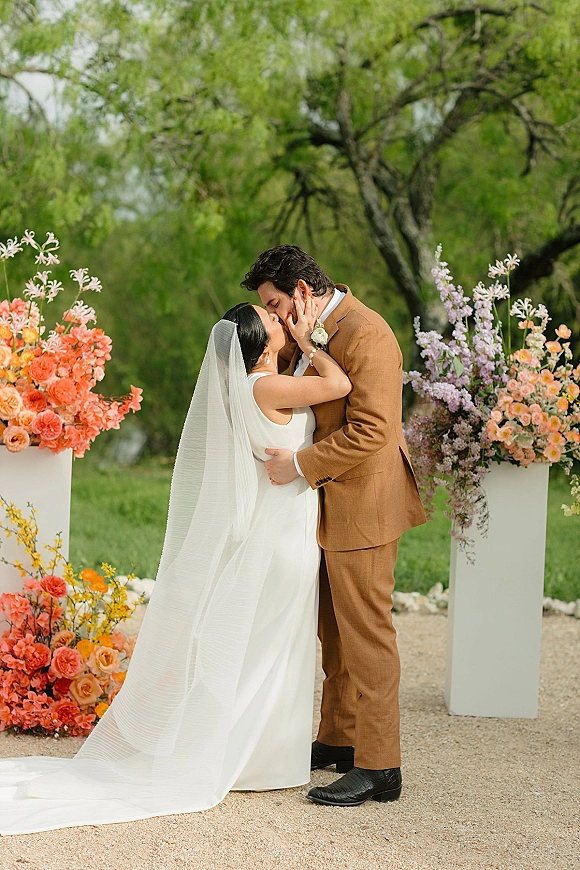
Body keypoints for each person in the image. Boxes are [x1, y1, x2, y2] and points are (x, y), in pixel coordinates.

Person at [0, 295, 350, 836]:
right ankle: (257, 759)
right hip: (284, 532)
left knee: (272, 642)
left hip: (277, 524)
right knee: (278, 642)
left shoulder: (249, 388)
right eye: (272, 323)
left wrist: (297, 346)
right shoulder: (267, 386)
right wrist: (309, 342)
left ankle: (260, 753)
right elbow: (339, 386)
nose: (281, 321)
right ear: (258, 350)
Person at [241, 245, 426, 807]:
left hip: (365, 507)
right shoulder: (307, 332)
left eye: (274, 304)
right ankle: (340, 739)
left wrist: (297, 465)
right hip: (321, 510)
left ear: (301, 291)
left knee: (367, 637)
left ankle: (380, 766)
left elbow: (373, 430)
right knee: (334, 634)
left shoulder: (367, 334)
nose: (271, 317)